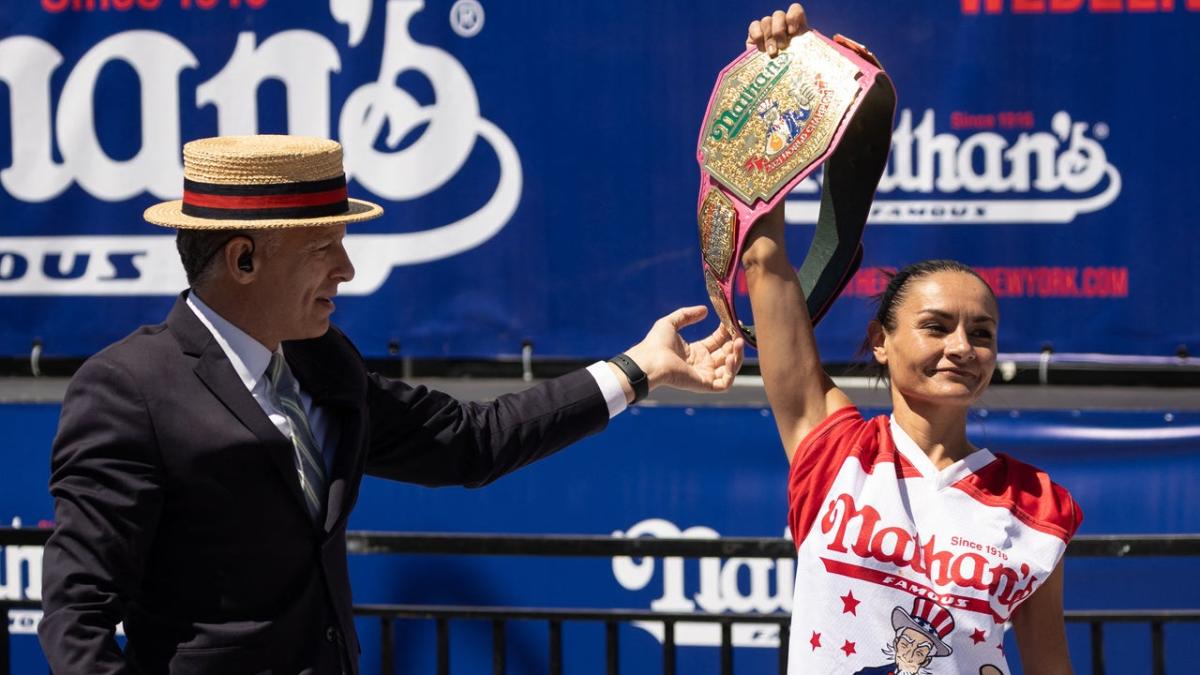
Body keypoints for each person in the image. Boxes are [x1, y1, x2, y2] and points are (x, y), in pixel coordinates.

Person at [36, 135, 744, 675]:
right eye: (326, 248)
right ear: (243, 260)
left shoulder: (321, 359)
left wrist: (639, 369)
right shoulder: (128, 389)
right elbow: (77, 618)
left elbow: (470, 442)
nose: (346, 269)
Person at [744, 8, 1082, 673]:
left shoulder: (1034, 501)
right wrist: (773, 83)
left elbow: (1049, 664)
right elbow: (764, 263)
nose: (962, 345)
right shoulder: (831, 449)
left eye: (980, 332)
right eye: (936, 325)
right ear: (880, 340)